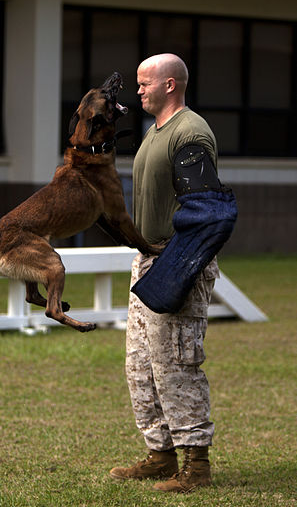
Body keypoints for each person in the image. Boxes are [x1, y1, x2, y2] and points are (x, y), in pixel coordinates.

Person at [109, 53, 221, 493]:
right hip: (148, 260)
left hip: (178, 260)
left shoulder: (190, 133)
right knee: (141, 364)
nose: (138, 91)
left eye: (145, 83)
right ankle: (160, 454)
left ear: (170, 85)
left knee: (177, 362)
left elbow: (207, 208)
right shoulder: (153, 132)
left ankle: (196, 466)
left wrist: (181, 263)